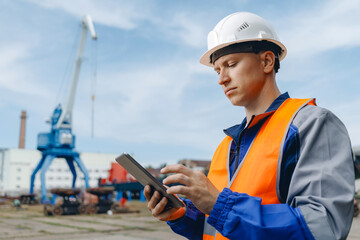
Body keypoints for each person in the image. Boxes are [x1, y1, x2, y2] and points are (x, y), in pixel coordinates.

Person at [144, 12, 355, 240]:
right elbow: (218, 229)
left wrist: (220, 206)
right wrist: (182, 214)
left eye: (231, 64)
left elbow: (323, 226)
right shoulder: (226, 147)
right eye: (217, 70)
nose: (221, 79)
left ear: (266, 61)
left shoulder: (312, 124)